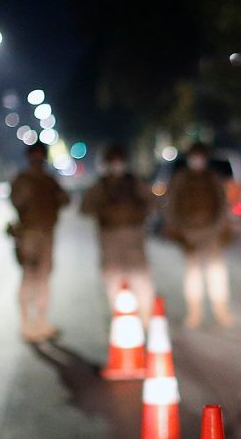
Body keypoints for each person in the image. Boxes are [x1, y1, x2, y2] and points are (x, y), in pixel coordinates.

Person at [80, 144, 156, 322]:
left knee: (141, 282)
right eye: (113, 161)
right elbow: (85, 208)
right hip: (110, 241)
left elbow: (152, 203)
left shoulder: (135, 183)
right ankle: (121, 322)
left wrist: (139, 213)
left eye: (119, 161)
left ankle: (146, 321)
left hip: (134, 239)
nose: (117, 165)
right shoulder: (101, 186)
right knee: (114, 283)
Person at [164, 142, 234, 328]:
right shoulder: (181, 178)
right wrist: (177, 229)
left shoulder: (212, 177)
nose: (197, 161)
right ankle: (194, 313)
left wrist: (219, 227)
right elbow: (172, 205)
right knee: (192, 274)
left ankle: (221, 312)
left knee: (216, 272)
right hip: (188, 232)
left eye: (200, 157)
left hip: (211, 232)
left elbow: (222, 203)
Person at [10, 142, 69, 342]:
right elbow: (17, 201)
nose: (38, 159)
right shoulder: (23, 179)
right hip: (28, 234)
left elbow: (64, 200)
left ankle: (41, 320)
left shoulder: (49, 180)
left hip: (46, 233)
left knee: (43, 279)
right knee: (29, 277)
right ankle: (26, 322)